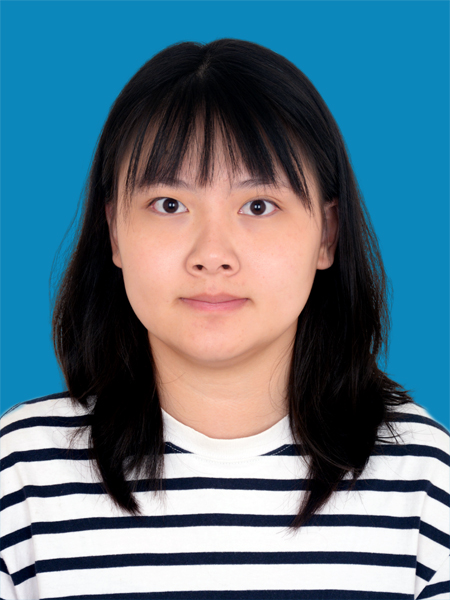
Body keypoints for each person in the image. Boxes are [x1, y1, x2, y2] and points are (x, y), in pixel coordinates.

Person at [1, 38, 448, 600]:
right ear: (114, 232)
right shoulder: (21, 474)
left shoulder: (421, 478)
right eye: (170, 205)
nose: (212, 255)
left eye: (258, 206)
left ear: (327, 234)